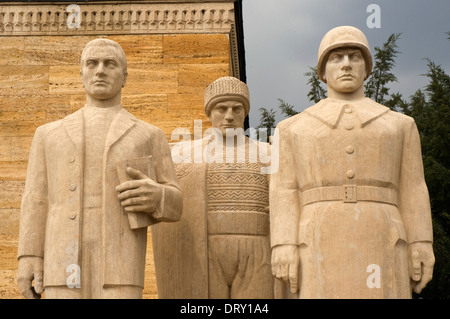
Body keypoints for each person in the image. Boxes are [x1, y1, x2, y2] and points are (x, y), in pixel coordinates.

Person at [270, 26, 434, 298]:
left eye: (355, 56)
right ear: (322, 71)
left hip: (383, 236)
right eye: (336, 58)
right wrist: (283, 244)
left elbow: (414, 187)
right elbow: (283, 190)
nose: (346, 64)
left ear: (367, 68)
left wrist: (421, 241)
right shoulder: (291, 129)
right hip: (315, 239)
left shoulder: (400, 126)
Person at [17, 38, 182, 299]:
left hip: (121, 262)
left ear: (125, 77)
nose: (100, 70)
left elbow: (176, 202)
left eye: (110, 64)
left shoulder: (149, 135)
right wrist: (28, 256)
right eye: (92, 64)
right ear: (81, 74)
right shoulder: (49, 135)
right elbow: (36, 199)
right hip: (62, 260)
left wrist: (158, 196)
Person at [152, 76, 274, 298]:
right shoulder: (182, 154)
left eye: (237, 109)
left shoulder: (267, 153)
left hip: (256, 247)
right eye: (221, 108)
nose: (229, 116)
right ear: (209, 113)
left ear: (245, 113)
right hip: (205, 248)